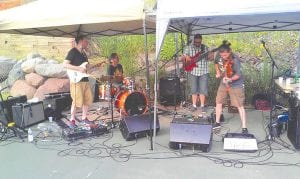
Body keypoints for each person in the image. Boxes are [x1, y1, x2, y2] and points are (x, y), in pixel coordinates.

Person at [213, 40, 248, 134]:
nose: (223, 57)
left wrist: (229, 79)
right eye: (222, 55)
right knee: (218, 102)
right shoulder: (218, 55)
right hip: (224, 82)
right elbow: (216, 63)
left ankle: (244, 128)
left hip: (235, 84)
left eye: (225, 55)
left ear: (229, 52)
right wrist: (218, 72)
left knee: (240, 106)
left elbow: (238, 75)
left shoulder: (235, 60)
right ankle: (217, 122)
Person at [63, 36, 94, 127]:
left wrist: (93, 68)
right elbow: (65, 64)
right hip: (76, 80)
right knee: (76, 101)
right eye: (86, 41)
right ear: (80, 41)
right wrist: (78, 68)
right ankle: (72, 120)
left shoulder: (84, 54)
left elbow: (86, 68)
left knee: (87, 100)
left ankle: (84, 118)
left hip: (85, 80)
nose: (87, 43)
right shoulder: (73, 51)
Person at [181, 34, 210, 112]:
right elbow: (183, 57)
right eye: (196, 42)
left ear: (201, 41)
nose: (197, 44)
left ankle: (202, 106)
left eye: (199, 42)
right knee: (193, 89)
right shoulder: (188, 48)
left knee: (203, 89)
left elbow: (210, 59)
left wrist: (211, 55)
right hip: (192, 71)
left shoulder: (205, 48)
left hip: (203, 71)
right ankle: (194, 105)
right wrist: (186, 57)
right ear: (194, 40)